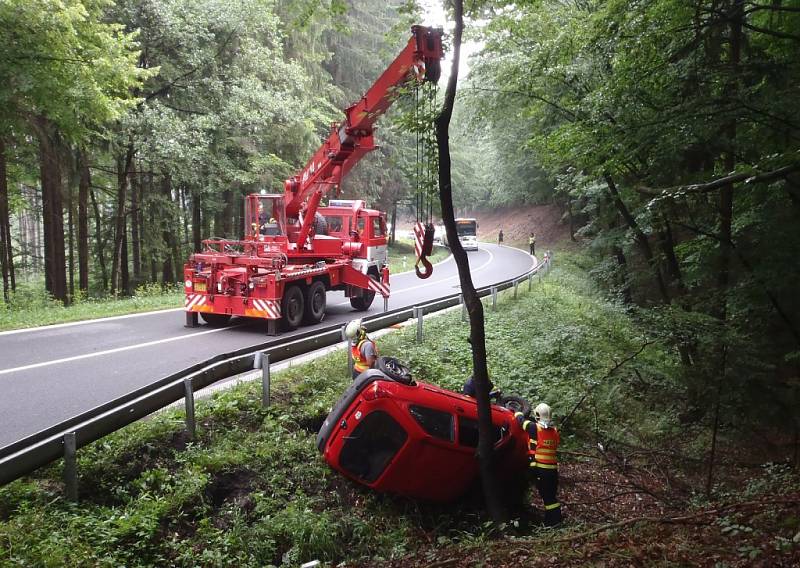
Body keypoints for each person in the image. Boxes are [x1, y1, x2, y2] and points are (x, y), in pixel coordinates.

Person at [515, 402, 562, 526]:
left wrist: (518, 412)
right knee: (551, 496)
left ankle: (553, 522)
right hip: (552, 469)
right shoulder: (555, 431)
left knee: (547, 496)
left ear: (537, 415)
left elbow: (521, 421)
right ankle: (553, 519)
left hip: (541, 468)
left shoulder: (533, 427)